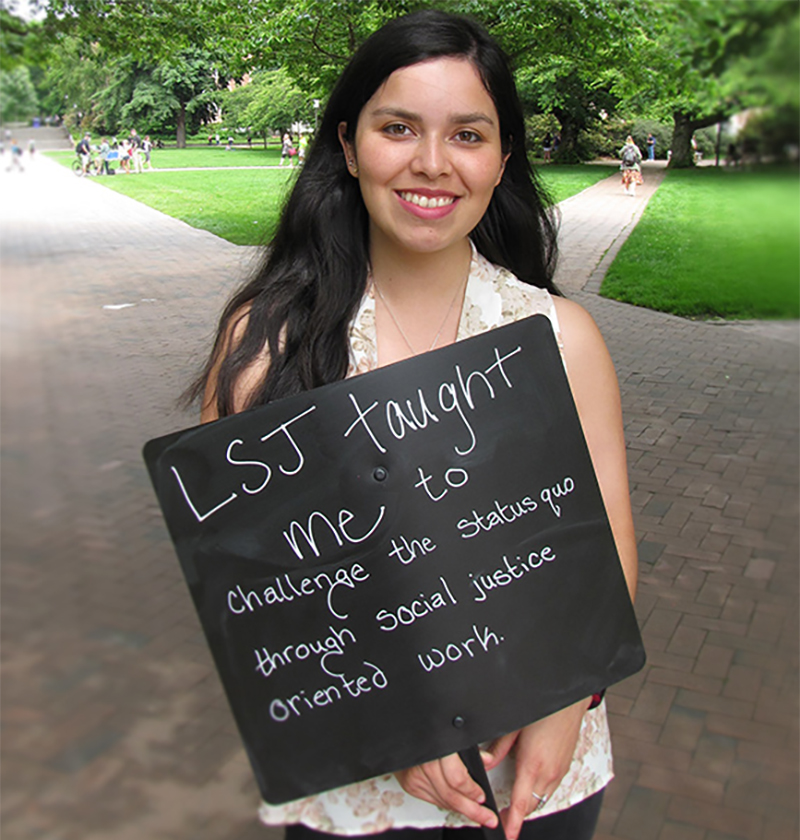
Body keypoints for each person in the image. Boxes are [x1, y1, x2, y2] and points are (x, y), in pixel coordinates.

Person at [188, 11, 637, 840]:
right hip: (358, 784)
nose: (432, 163)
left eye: (467, 134)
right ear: (350, 144)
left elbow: (604, 548)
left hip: (538, 778)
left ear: (502, 160)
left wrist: (572, 706)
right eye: (399, 128)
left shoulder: (560, 339)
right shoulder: (265, 345)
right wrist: (394, 720)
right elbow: (253, 592)